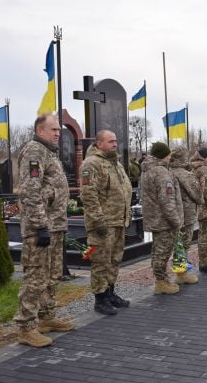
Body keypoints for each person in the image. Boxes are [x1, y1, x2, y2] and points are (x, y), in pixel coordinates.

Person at [15, 114, 75, 348]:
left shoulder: (49, 152)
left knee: (51, 275)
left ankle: (46, 317)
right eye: (53, 129)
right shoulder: (34, 151)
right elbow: (30, 191)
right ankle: (25, 327)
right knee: (35, 278)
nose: (58, 133)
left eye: (59, 130)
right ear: (40, 131)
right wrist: (40, 225)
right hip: (40, 227)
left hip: (55, 225)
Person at [80, 130, 132, 316]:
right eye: (110, 141)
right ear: (99, 143)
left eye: (116, 141)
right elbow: (89, 195)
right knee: (101, 261)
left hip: (118, 221)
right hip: (103, 223)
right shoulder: (91, 164)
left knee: (114, 259)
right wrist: (97, 221)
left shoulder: (115, 163)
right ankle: (100, 298)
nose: (114, 144)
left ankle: (110, 292)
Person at [141, 142, 184, 293]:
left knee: (158, 250)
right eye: (168, 154)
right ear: (162, 155)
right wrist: (176, 221)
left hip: (156, 218)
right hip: (164, 220)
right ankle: (161, 282)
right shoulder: (161, 172)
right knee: (163, 252)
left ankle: (162, 279)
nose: (171, 156)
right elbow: (167, 200)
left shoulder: (149, 170)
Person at [169, 148, 203, 284]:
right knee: (184, 243)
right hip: (186, 213)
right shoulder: (185, 175)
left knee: (177, 243)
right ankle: (181, 274)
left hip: (174, 213)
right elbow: (197, 195)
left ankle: (180, 270)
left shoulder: (168, 172)